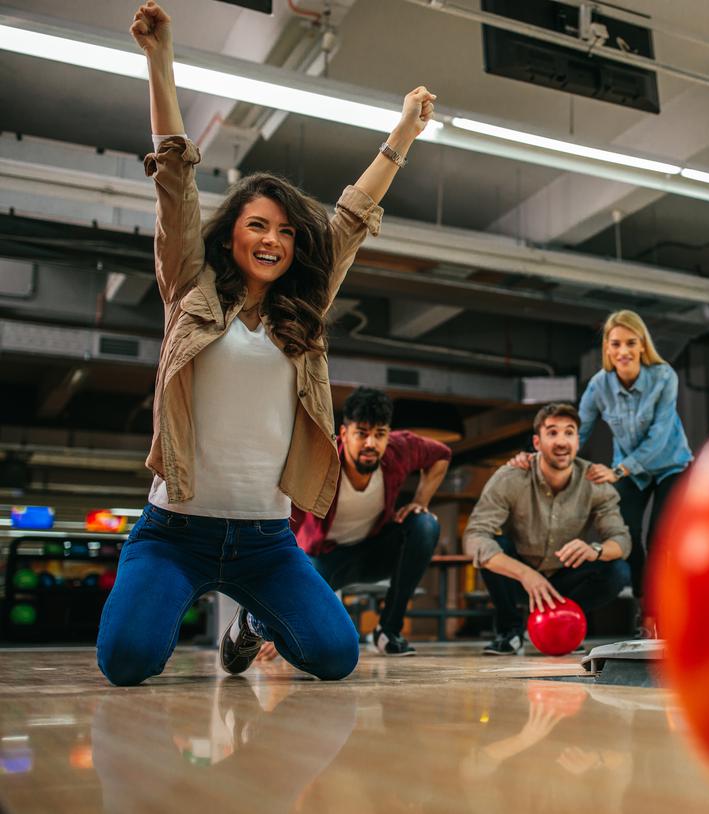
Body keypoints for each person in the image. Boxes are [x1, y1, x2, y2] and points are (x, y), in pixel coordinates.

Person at [95, 0, 435, 685]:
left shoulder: (303, 311)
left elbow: (350, 218)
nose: (274, 240)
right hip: (175, 533)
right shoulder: (189, 289)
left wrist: (402, 134)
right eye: (258, 225)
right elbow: (175, 180)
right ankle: (178, 602)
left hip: (265, 540)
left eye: (284, 231)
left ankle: (253, 622)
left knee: (335, 657)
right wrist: (159, 60)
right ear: (230, 236)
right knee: (128, 662)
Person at [511, 311, 691, 638]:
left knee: (660, 537)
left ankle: (662, 612)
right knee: (628, 536)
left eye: (630, 343)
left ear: (642, 346)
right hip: (629, 472)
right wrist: (540, 458)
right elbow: (577, 429)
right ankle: (644, 608)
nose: (623, 351)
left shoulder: (664, 377)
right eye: (615, 344)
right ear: (607, 349)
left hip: (670, 464)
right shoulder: (599, 385)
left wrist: (619, 469)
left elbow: (661, 435)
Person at [242, 387, 451, 664]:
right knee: (297, 628)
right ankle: (259, 626)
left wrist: (420, 500)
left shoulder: (399, 450)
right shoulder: (322, 464)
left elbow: (441, 455)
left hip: (374, 551)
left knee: (425, 524)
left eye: (380, 435)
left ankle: (388, 631)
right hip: (324, 559)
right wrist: (279, 614)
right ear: (343, 434)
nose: (371, 444)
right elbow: (287, 531)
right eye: (362, 434)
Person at [465, 403, 631, 655]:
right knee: (495, 547)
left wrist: (594, 550)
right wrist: (524, 574)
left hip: (566, 580)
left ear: (578, 440)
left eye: (569, 432)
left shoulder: (594, 482)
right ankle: (510, 632)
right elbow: (474, 536)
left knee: (618, 569)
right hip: (520, 580)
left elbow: (621, 540)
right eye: (552, 433)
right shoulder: (510, 477)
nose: (561, 441)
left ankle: (566, 622)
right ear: (536, 442)